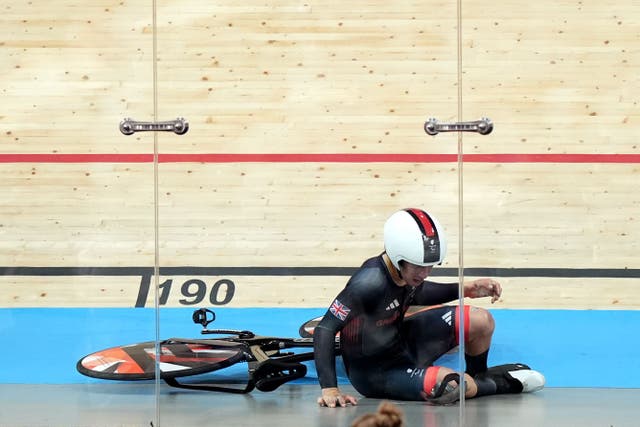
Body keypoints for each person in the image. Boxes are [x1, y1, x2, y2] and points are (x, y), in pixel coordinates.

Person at [314, 208, 545, 407]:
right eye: (419, 268)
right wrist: (330, 390)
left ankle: (477, 377)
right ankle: (498, 383)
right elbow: (325, 329)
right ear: (398, 257)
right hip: (377, 374)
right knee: (451, 385)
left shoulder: (404, 271)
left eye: (430, 267)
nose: (425, 274)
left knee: (481, 320)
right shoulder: (367, 284)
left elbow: (419, 291)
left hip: (402, 343)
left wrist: (466, 288)